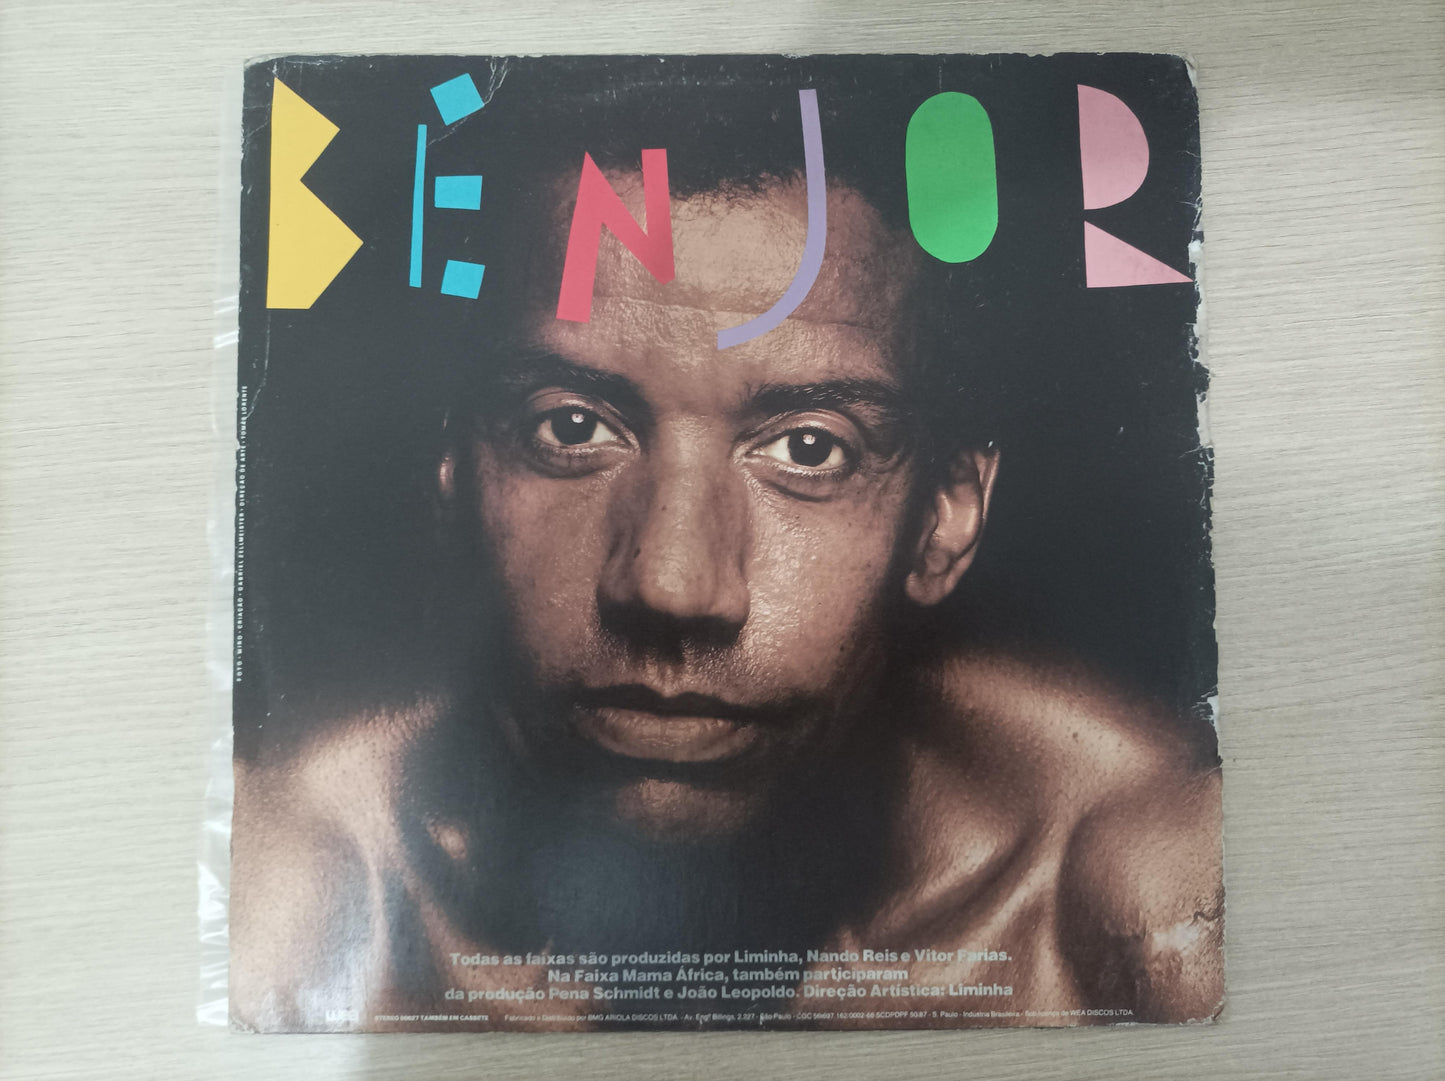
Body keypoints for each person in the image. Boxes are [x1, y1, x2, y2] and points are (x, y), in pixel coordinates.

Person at [230, 69, 1222, 1031]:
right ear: (454, 466)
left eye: (808, 448)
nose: (671, 584)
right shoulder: (294, 891)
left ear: (944, 514)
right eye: (570, 427)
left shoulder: (1126, 887)